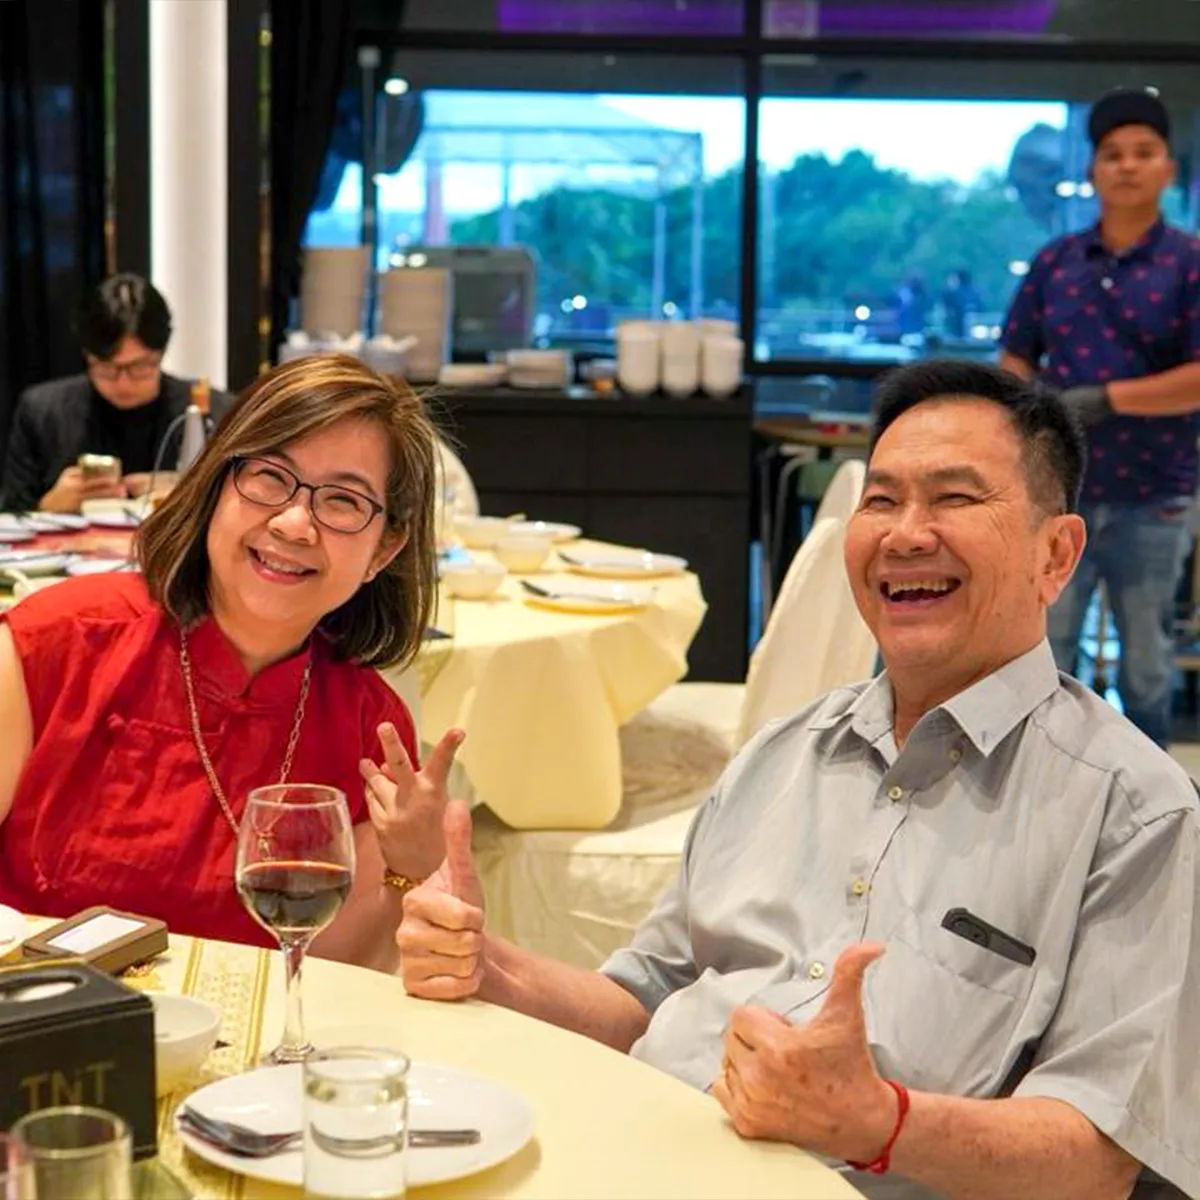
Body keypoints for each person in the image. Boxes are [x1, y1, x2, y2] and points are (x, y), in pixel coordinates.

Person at [397, 360, 1199, 1200]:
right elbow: (642, 1000)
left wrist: (879, 1124)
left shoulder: (1134, 812)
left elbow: (1100, 1156)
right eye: (882, 500)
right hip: (630, 1160)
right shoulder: (783, 752)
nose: (905, 535)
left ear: (1055, 554)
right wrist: (489, 968)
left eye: (955, 499)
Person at [0, 354, 462, 971]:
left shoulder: (369, 728)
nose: (295, 523)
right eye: (270, 475)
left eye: (343, 501)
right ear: (217, 482)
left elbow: (326, 971)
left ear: (385, 549)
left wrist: (407, 869)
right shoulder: (56, 642)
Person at [1000, 87, 1200, 747]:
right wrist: (1026, 408)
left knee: (1147, 661)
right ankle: (1047, 781)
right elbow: (1015, 355)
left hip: (1156, 494)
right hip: (1062, 494)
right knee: (1047, 650)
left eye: (1144, 153)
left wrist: (1107, 398)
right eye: (1113, 154)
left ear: (1168, 168)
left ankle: (1151, 791)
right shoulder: (1056, 262)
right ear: (1092, 170)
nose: (1127, 166)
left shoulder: (1190, 264)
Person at [0, 274, 233, 514]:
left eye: (139, 367)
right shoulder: (42, 412)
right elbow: (11, 516)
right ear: (86, 355)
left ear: (162, 353)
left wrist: (193, 496)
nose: (123, 383)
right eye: (106, 367)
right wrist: (48, 506)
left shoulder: (216, 411)